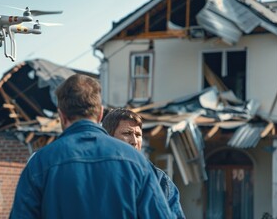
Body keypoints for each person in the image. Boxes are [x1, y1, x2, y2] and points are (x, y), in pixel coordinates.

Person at [10, 74, 173, 218]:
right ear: (100, 113)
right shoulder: (137, 163)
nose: (133, 139)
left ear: (61, 116)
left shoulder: (39, 163)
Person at [102, 108, 186, 219]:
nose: (134, 141)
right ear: (109, 137)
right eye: (127, 133)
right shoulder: (97, 174)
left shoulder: (159, 179)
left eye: (138, 135)